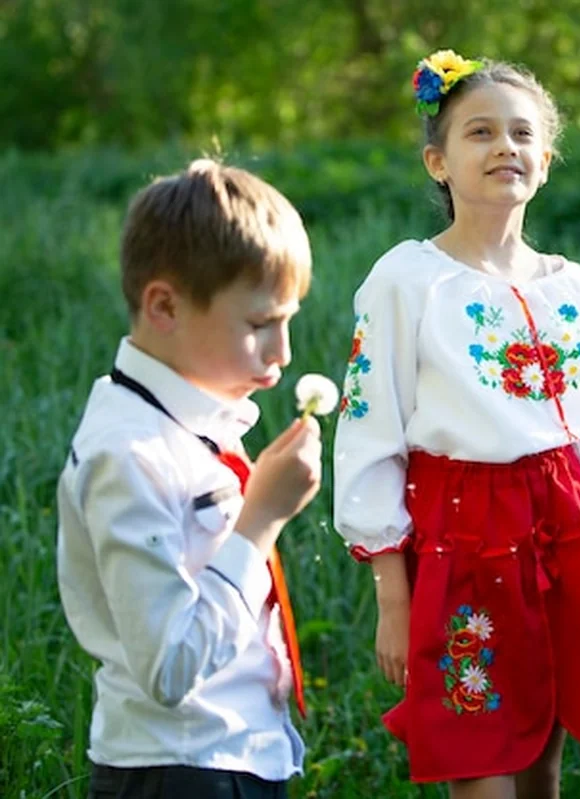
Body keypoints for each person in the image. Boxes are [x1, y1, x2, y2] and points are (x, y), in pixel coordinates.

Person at [332, 51, 580, 798]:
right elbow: (369, 428)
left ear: (545, 161)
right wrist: (393, 596)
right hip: (461, 531)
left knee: (544, 753)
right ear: (438, 162)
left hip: (564, 527)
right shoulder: (406, 279)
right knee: (477, 755)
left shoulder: (570, 284)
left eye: (521, 134)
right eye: (480, 132)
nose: (504, 147)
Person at [57, 159, 322, 799]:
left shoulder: (195, 422)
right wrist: (259, 521)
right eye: (260, 324)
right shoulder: (129, 453)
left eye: (288, 322)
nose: (283, 352)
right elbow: (168, 667)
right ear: (165, 306)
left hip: (236, 755)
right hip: (176, 769)